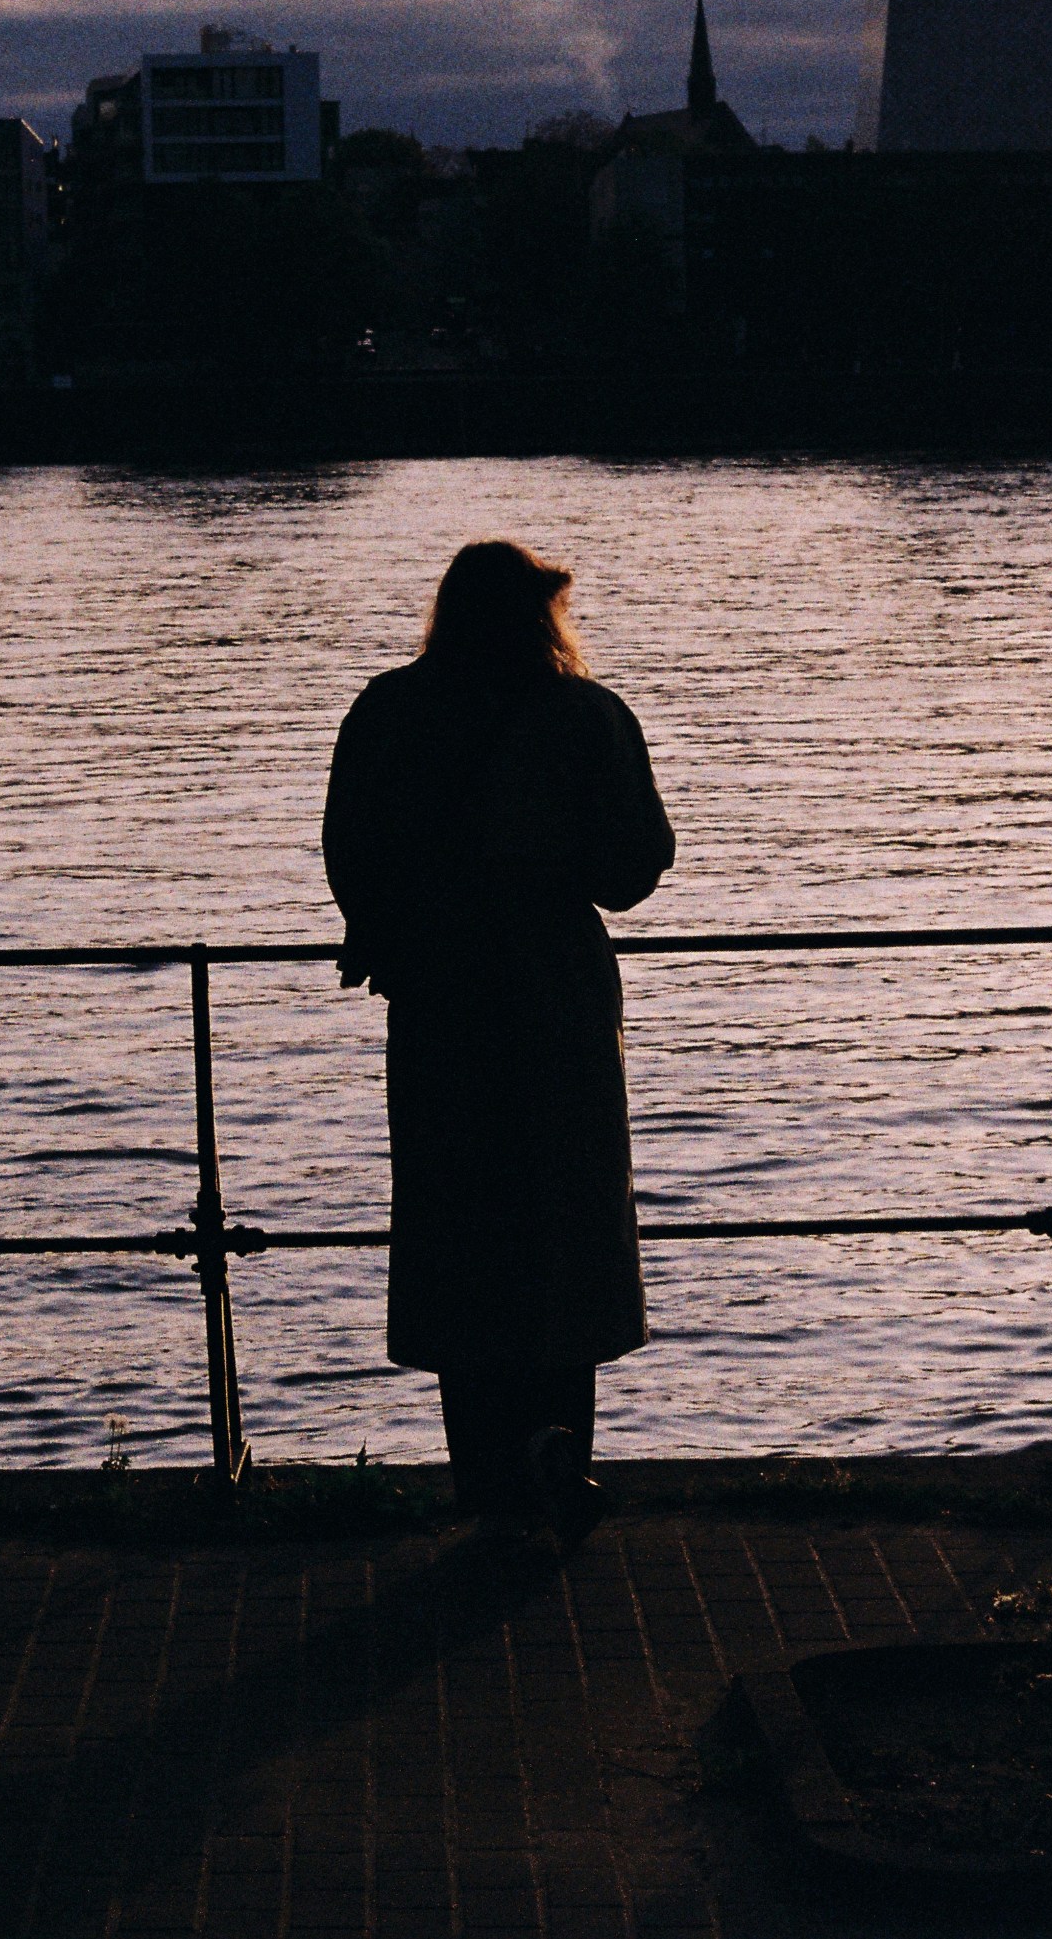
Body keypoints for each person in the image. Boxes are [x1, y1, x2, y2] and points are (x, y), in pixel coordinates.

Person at [323, 539, 676, 1545]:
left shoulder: (387, 711)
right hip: (551, 994)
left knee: (456, 1219)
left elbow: (349, 850)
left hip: (437, 996)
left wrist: (395, 925)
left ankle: (480, 1468)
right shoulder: (583, 717)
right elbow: (633, 866)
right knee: (563, 1217)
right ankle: (558, 1453)